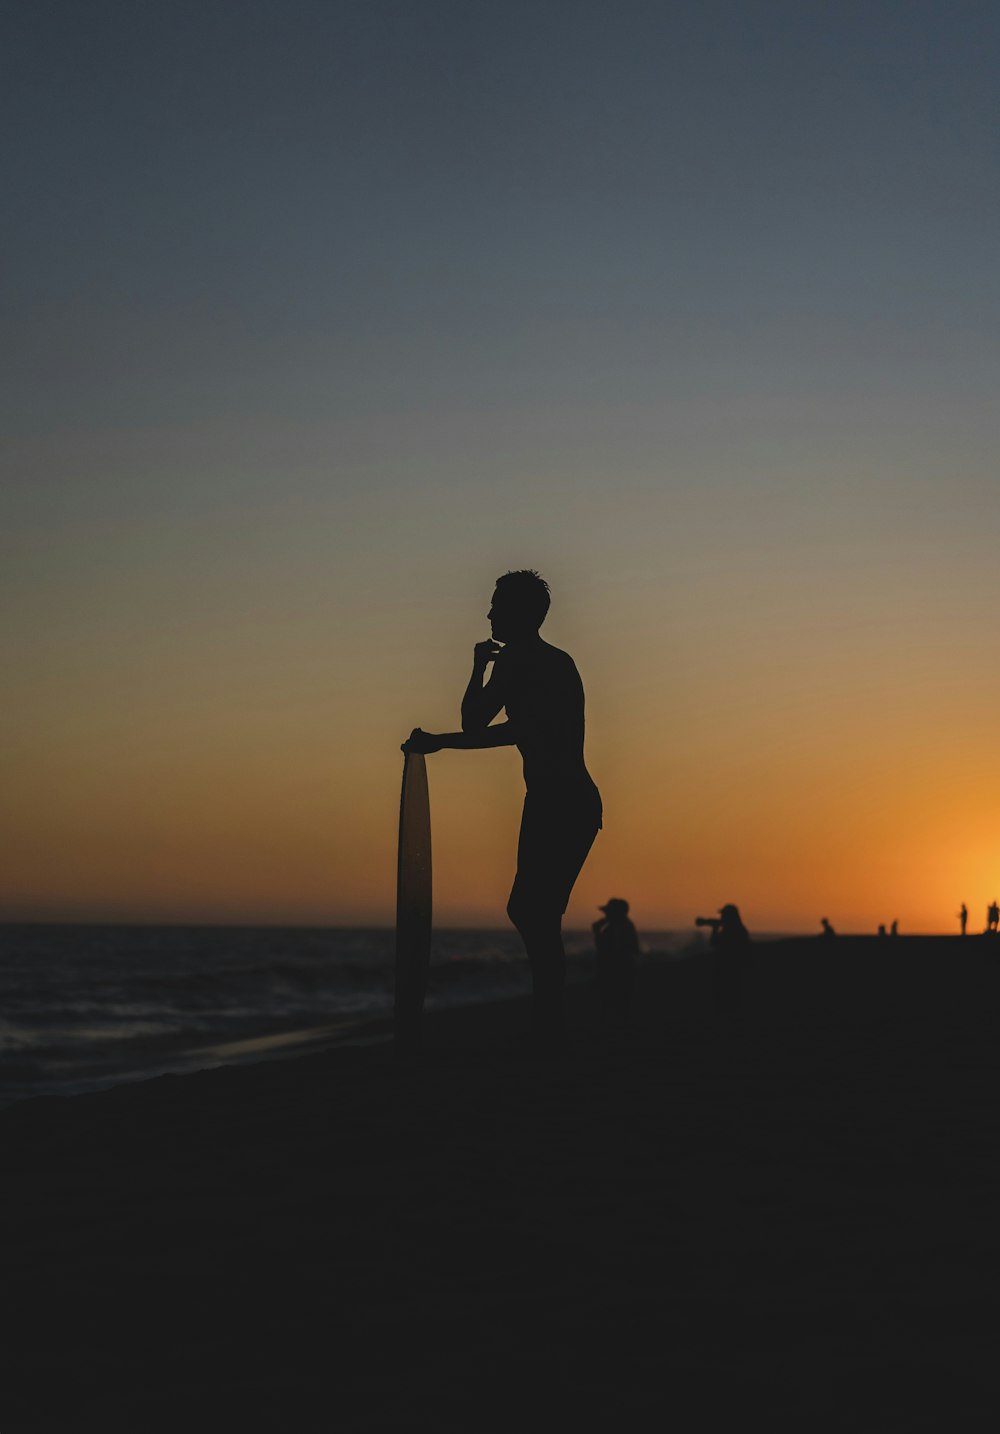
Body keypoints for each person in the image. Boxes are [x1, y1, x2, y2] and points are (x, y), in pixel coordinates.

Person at [403, 570, 602, 1050]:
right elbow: (474, 720)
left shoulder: (549, 663)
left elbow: (519, 732)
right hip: (550, 800)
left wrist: (440, 745)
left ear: (522, 613)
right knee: (533, 911)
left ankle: (550, 1024)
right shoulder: (513, 662)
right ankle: (549, 1019)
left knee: (535, 911)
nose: (489, 613)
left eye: (497, 605)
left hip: (566, 800)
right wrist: (478, 668)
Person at [695, 904, 750, 1012]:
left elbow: (715, 943)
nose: (722, 917)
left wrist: (715, 929)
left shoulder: (733, 930)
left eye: (724, 915)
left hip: (730, 972)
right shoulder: (736, 929)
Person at [592, 898, 640, 1022]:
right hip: (625, 969)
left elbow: (608, 950)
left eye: (609, 912)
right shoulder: (626, 926)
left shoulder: (618, 927)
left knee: (613, 1007)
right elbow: (635, 949)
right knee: (621, 1007)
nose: (606, 915)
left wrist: (597, 932)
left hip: (616, 972)